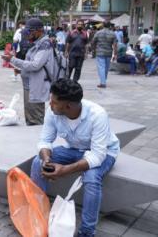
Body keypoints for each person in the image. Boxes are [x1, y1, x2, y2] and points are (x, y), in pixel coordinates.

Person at [30, 78, 119, 237]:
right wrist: (47, 160)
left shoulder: (97, 115)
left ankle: (87, 232)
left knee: (91, 178)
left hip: (104, 152)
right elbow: (45, 140)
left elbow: (98, 156)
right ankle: (37, 213)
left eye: (54, 101)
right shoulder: (53, 111)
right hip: (75, 149)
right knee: (38, 162)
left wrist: (65, 170)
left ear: (68, 106)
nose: (50, 104)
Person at [2, 18, 53, 126]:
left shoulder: (45, 45)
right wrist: (20, 69)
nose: (28, 35)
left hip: (36, 85)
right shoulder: (37, 43)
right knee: (30, 117)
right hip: (30, 84)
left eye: (30, 32)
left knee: (35, 119)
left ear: (39, 31)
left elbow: (35, 65)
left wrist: (12, 59)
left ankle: (36, 140)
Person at [92, 23, 117, 88]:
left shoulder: (98, 33)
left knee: (101, 67)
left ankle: (103, 82)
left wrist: (94, 49)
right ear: (110, 26)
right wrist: (115, 54)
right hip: (109, 53)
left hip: (100, 52)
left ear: (103, 25)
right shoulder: (113, 34)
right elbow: (115, 45)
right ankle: (103, 80)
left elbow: (93, 42)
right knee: (106, 67)